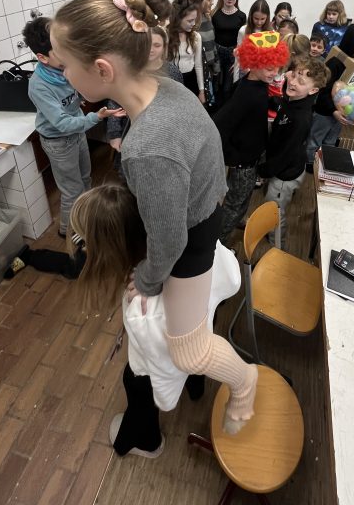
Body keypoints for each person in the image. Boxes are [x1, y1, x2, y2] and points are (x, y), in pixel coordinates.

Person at [50, 0, 258, 435]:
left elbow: (169, 240)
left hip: (193, 238)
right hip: (206, 208)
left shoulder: (146, 149)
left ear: (102, 69)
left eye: (64, 65)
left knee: (188, 351)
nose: (61, 74)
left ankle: (245, 383)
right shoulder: (168, 88)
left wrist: (146, 279)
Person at [68, 184, 241, 458]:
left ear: (108, 250)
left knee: (136, 386)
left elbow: (166, 372)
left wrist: (164, 394)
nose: (84, 247)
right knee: (190, 370)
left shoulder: (142, 310)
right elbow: (231, 277)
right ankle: (195, 387)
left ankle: (147, 443)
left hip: (158, 368)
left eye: (86, 241)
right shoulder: (194, 249)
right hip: (202, 330)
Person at [22, 16, 122, 237]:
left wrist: (79, 99)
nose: (67, 54)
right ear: (42, 57)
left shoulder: (62, 69)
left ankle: (84, 220)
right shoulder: (39, 86)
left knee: (86, 178)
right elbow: (62, 123)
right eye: (60, 51)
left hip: (77, 132)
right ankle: (67, 232)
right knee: (72, 191)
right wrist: (96, 117)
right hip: (59, 141)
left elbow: (71, 95)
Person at [214, 31, 289, 246]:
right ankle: (218, 245)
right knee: (234, 204)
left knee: (242, 200)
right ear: (254, 63)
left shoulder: (256, 84)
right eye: (269, 68)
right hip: (243, 162)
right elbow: (219, 125)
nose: (274, 73)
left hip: (250, 155)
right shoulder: (247, 94)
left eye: (277, 67)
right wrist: (233, 156)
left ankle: (232, 224)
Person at [260, 58, 329, 249]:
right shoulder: (293, 99)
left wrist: (265, 170)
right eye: (295, 76)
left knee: (275, 211)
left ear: (313, 90)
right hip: (280, 167)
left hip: (285, 174)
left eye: (301, 81)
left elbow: (287, 153)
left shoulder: (300, 118)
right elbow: (282, 104)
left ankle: (277, 248)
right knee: (270, 202)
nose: (293, 82)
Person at [107, 26, 182, 176]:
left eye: (157, 45)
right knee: (133, 170)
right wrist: (114, 134)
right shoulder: (129, 70)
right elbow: (115, 101)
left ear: (164, 47)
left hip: (163, 129)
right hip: (133, 127)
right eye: (147, 44)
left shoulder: (173, 71)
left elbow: (179, 102)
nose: (151, 49)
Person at [305, 23, 354, 167]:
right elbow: (323, 91)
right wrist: (333, 111)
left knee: (330, 140)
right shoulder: (335, 63)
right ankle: (309, 163)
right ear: (351, 42)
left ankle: (323, 164)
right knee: (315, 140)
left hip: (341, 112)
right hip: (325, 112)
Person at [167, 0, 206, 102]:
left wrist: (201, 91)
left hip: (190, 80)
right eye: (190, 21)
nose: (193, 24)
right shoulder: (165, 35)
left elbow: (198, 65)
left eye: (194, 20)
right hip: (172, 81)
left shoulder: (196, 37)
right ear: (178, 19)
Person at [211, 0, 246, 103]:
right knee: (216, 85)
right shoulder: (214, 14)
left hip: (232, 54)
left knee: (227, 88)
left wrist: (237, 60)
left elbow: (243, 40)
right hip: (217, 53)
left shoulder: (242, 16)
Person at [195, 0, 221, 111]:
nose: (212, 3)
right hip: (200, 69)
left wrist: (216, 64)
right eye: (210, 0)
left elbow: (212, 43)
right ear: (202, 1)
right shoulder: (194, 21)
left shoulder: (208, 17)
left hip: (210, 68)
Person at [233, 0, 271, 82]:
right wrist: (235, 79)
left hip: (263, 75)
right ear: (251, 16)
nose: (259, 22)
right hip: (245, 72)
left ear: (267, 17)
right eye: (256, 18)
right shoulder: (243, 30)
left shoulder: (271, 33)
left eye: (262, 19)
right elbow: (238, 55)